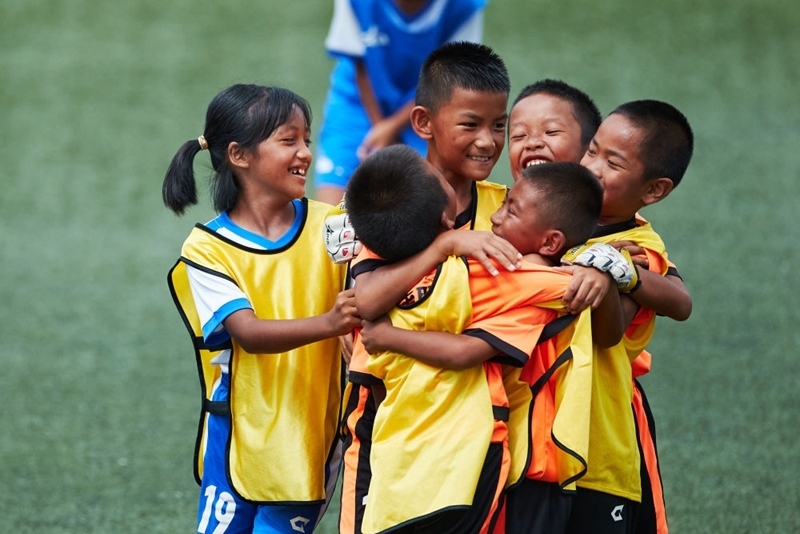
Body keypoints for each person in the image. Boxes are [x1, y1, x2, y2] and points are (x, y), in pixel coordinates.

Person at [348, 146, 623, 534]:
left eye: (510, 209)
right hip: (461, 457)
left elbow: (365, 312)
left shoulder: (387, 269)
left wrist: (384, 335)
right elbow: (575, 296)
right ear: (447, 221)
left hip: (402, 456)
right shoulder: (491, 274)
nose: (494, 215)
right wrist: (601, 268)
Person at [335, 40, 519, 534]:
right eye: (470, 124)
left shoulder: (511, 211)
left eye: (499, 125)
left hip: (478, 437)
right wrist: (445, 246)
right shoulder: (389, 198)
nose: (488, 141)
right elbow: (365, 303)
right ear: (423, 123)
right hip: (386, 432)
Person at [163, 84, 360, 534]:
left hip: (310, 437)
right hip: (236, 435)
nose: (305, 152)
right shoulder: (208, 247)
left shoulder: (334, 226)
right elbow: (247, 333)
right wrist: (332, 323)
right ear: (239, 155)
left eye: (306, 139)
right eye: (288, 140)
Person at [562, 99, 694, 534]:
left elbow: (612, 330)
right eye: (592, 151)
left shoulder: (640, 248)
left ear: (653, 190)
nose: (592, 167)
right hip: (544, 437)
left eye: (613, 163)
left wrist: (617, 274)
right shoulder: (558, 217)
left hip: (598, 445)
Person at [314, 0, 487, 205]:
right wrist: (380, 128)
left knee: (439, 200)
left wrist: (391, 128)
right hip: (358, 100)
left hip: (431, 104)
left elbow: (450, 80)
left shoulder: (464, 5)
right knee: (331, 208)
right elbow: (360, 64)